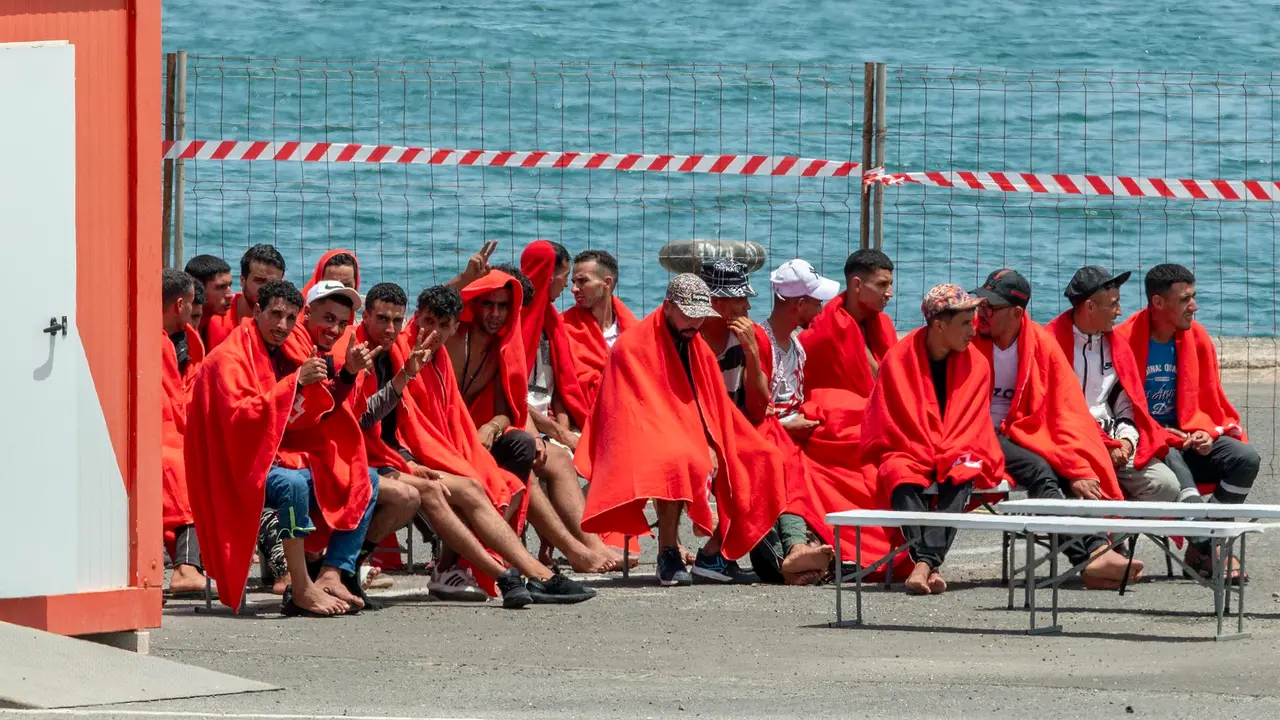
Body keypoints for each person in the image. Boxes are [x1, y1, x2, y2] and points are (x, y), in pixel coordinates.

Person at [348, 282, 595, 606]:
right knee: (468, 486)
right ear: (365, 316)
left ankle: (482, 571)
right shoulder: (378, 352)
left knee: (504, 478)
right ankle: (522, 575)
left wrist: (490, 428)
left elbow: (480, 414)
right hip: (386, 457)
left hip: (414, 452)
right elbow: (365, 420)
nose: (391, 328)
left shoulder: (425, 356)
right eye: (382, 319)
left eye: (396, 320)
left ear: (454, 326)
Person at [577, 274, 786, 587]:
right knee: (677, 457)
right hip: (640, 433)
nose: (694, 323)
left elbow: (711, 401)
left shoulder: (694, 343)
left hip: (696, 429)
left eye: (700, 316)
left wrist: (713, 441)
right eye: (688, 314)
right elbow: (634, 411)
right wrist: (703, 444)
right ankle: (668, 552)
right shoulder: (631, 347)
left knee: (765, 456)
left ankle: (713, 555)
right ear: (667, 307)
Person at [185, 279, 378, 617]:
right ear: (257, 311)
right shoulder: (228, 357)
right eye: (275, 315)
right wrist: (296, 382)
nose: (282, 326)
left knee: (365, 477)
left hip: (275, 452)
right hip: (235, 462)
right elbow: (239, 418)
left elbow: (312, 411)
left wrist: (347, 373)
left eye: (290, 318)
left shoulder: (287, 349)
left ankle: (333, 572)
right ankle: (300, 586)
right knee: (293, 485)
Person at [445, 251, 621, 574]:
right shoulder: (457, 337)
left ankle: (586, 544)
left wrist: (496, 428)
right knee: (532, 458)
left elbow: (510, 405)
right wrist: (465, 279)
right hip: (448, 437)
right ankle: (574, 549)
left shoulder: (506, 343)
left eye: (503, 306)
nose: (497, 313)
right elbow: (430, 314)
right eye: (488, 304)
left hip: (494, 432)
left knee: (545, 455)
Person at [972, 269, 1142, 588]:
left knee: (1063, 468)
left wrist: (1076, 466)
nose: (982, 312)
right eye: (981, 304)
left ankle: (1097, 552)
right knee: (1041, 468)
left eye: (990, 307)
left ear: (1016, 313)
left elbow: (1064, 410)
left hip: (1024, 431)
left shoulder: (1041, 344)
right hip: (977, 433)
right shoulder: (969, 340)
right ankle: (1092, 554)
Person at [279, 279, 422, 600]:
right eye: (328, 319)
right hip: (293, 458)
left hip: (333, 454)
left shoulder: (341, 354)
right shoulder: (306, 349)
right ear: (306, 314)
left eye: (341, 323)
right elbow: (321, 413)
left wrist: (398, 375)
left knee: (383, 485)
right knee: (380, 485)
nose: (334, 328)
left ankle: (339, 569)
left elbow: (348, 412)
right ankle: (308, 573)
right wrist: (344, 372)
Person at [1118, 263, 1261, 580]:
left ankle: (1201, 547)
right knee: (1170, 455)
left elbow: (1210, 403)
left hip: (1187, 440)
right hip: (1148, 447)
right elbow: (1118, 410)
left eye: (1193, 298)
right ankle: (1211, 547)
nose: (1193, 306)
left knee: (1245, 458)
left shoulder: (1197, 338)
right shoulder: (1123, 340)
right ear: (1158, 303)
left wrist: (1204, 432)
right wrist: (1164, 435)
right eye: (1184, 300)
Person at [861, 285, 1004, 595]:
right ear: (939, 325)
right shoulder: (898, 359)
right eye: (965, 323)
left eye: (974, 321)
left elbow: (973, 423)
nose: (973, 330)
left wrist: (947, 449)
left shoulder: (978, 364)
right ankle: (929, 564)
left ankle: (923, 564)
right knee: (898, 473)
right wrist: (927, 447)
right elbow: (890, 419)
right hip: (908, 445)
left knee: (963, 470)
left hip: (960, 446)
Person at [697, 259, 833, 585]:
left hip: (741, 429)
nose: (746, 305)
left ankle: (800, 551)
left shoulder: (754, 339)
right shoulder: (696, 340)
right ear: (716, 302)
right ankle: (784, 560)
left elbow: (759, 407)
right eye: (739, 298)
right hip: (717, 433)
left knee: (785, 455)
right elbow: (758, 412)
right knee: (769, 458)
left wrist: (752, 355)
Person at [1043, 266, 1184, 504]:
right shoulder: (1048, 343)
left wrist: (1127, 441)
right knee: (1088, 493)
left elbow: (1127, 403)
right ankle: (1106, 535)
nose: (1119, 312)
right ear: (1090, 307)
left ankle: (1114, 532)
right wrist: (1103, 445)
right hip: (1069, 443)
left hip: (1114, 439)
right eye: (1114, 304)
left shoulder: (1117, 344)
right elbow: (1050, 413)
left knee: (1166, 486)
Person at [160, 269, 206, 597]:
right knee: (189, 474)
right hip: (163, 438)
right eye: (190, 305)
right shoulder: (158, 340)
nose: (192, 313)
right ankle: (186, 568)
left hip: (172, 432)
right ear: (179, 305)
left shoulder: (178, 341)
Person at [520, 240, 591, 450]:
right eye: (565, 276)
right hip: (524, 423)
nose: (567, 285)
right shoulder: (515, 321)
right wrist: (562, 435)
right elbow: (512, 397)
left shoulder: (551, 322)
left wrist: (564, 430)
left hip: (550, 420)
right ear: (549, 275)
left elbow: (560, 386)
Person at [800, 249, 896, 395]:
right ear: (857, 285)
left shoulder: (885, 324)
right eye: (882, 285)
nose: (890, 293)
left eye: (890, 284)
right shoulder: (824, 333)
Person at [561, 249, 639, 406]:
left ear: (607, 283)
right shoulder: (562, 327)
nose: (574, 289)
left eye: (582, 281)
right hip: (584, 415)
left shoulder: (635, 333)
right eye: (573, 282)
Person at [202, 244, 287, 350]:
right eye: (259, 281)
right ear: (243, 281)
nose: (267, 290)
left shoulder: (287, 323)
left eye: (274, 283)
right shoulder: (218, 320)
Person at [184, 254, 233, 346]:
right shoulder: (180, 335)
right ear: (198, 287)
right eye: (221, 287)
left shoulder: (210, 326)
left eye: (230, 285)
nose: (230, 295)